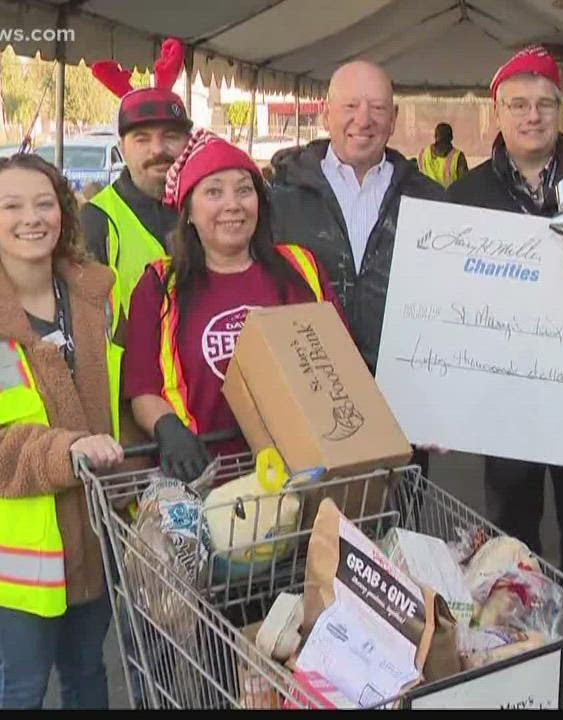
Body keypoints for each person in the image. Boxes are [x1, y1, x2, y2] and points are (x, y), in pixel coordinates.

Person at [0, 154, 126, 708]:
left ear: (63, 211)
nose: (31, 218)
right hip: (18, 558)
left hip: (94, 537)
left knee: (88, 675)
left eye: (45, 202)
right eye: (11, 205)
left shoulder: (97, 300)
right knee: (23, 686)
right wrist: (65, 451)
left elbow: (123, 399)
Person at [446, 45, 563, 603]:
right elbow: (445, 302)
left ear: (562, 110)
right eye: (518, 104)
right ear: (498, 112)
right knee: (513, 533)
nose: (532, 115)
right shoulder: (467, 196)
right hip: (505, 396)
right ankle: (522, 653)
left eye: (544, 103)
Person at [123, 129, 341, 482]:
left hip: (303, 474)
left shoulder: (302, 268)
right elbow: (142, 388)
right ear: (188, 211)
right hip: (207, 483)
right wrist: (166, 426)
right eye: (213, 192)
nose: (233, 205)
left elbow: (341, 367)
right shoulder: (160, 286)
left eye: (244, 190)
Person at [269, 61, 444, 377]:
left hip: (405, 388)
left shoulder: (429, 200)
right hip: (307, 386)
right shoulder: (279, 197)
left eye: (377, 107)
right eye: (350, 105)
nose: (363, 120)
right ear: (326, 114)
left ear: (394, 119)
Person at [84, 38, 192, 316]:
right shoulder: (97, 220)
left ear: (188, 142)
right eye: (142, 139)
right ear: (121, 149)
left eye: (170, 136)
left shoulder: (212, 207)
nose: (157, 149)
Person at [417, 122, 469, 188]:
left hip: (426, 196)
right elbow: (466, 184)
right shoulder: (458, 157)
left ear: (435, 136)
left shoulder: (423, 154)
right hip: (449, 197)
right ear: (451, 137)